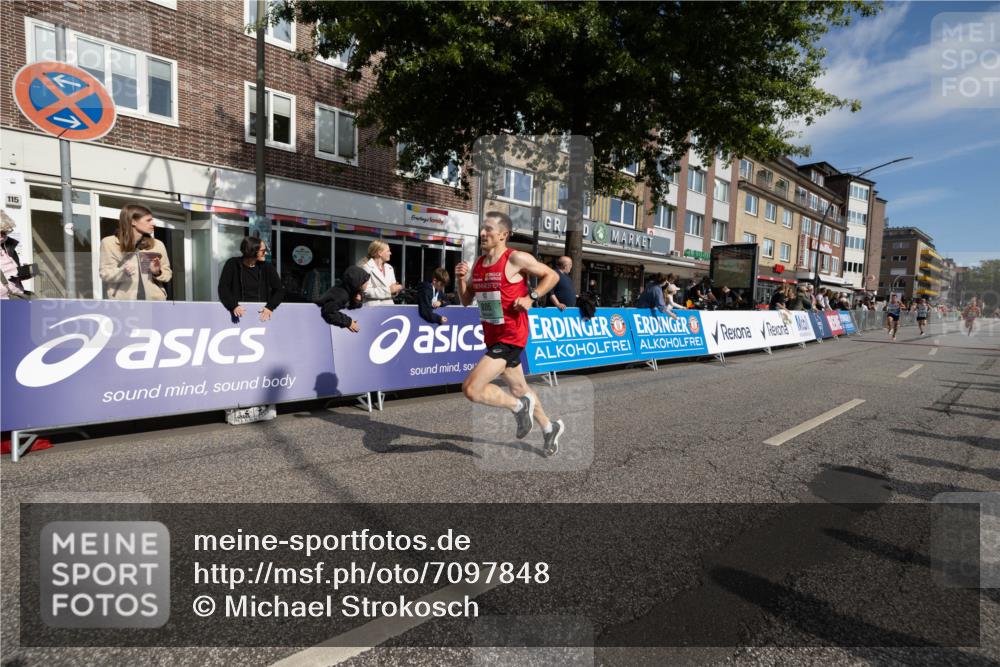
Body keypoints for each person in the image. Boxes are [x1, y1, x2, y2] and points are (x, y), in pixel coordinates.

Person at [455, 211, 564, 457]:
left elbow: (552, 275)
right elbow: (465, 300)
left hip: (512, 335)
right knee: (519, 388)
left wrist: (531, 297)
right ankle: (549, 427)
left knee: (471, 389)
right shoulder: (480, 263)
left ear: (504, 234)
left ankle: (518, 408)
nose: (483, 233)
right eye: (483, 229)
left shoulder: (515, 258)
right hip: (492, 335)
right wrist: (461, 279)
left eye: (489, 229)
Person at [99, 204, 172, 300]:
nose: (153, 223)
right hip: (123, 303)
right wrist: (123, 272)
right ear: (133, 222)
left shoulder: (157, 245)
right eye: (148, 220)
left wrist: (157, 272)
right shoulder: (109, 243)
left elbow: (167, 275)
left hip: (154, 302)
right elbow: (105, 274)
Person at [218, 236, 284, 321]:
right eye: (263, 251)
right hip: (238, 314)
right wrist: (233, 306)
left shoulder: (267, 267)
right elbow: (223, 288)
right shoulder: (232, 264)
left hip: (261, 314)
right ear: (253, 251)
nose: (266, 253)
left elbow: (279, 290)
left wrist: (270, 307)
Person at [315, 266, 370, 332]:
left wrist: (356, 301)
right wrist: (348, 322)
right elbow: (328, 312)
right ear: (358, 282)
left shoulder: (352, 290)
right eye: (365, 281)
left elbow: (350, 306)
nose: (367, 283)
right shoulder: (341, 295)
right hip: (315, 320)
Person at [361, 240, 402, 306]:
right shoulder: (366, 268)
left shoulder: (389, 268)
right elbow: (366, 292)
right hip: (373, 309)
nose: (390, 253)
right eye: (388, 251)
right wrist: (389, 290)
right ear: (380, 253)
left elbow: (392, 290)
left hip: (389, 307)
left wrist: (395, 290)